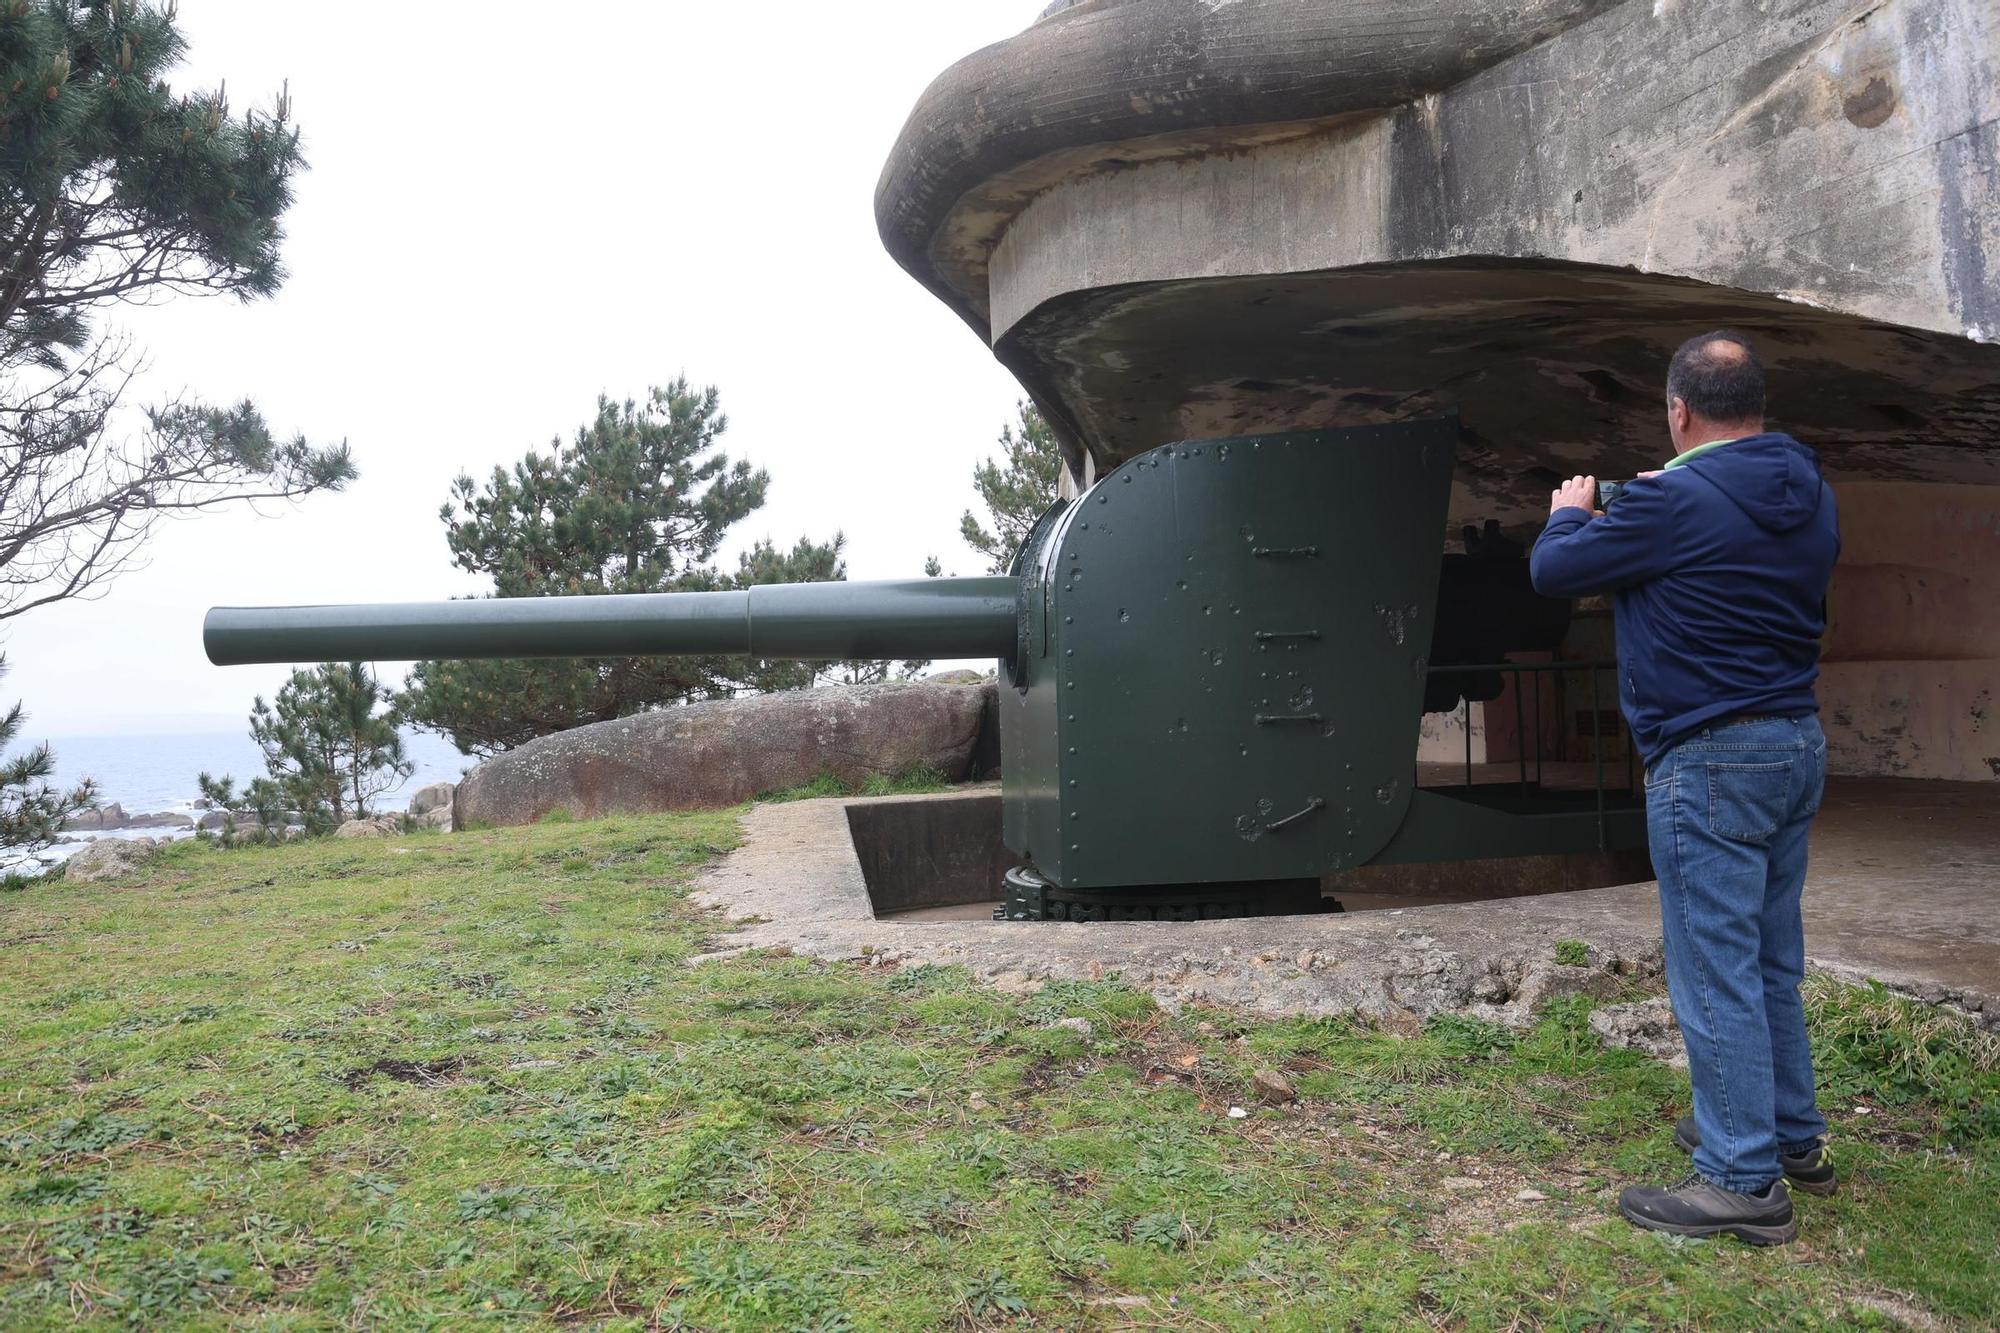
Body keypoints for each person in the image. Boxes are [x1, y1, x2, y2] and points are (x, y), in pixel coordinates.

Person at [1528, 331, 1841, 1246]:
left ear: (1678, 410)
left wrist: (1572, 509)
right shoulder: (1813, 492)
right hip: (1794, 744)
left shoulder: (1671, 499)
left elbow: (1555, 570)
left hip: (1710, 758)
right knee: (1769, 957)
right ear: (1759, 405)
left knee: (1714, 968)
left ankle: (1741, 1176)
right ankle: (1790, 1135)